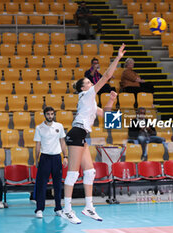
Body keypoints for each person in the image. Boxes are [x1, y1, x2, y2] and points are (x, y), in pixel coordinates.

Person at [62, 44, 125, 224]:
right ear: (83, 88)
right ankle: (67, 210)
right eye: (88, 82)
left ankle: (89, 207)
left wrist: (112, 100)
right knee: (73, 174)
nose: (91, 83)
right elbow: (106, 76)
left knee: (90, 172)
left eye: (90, 83)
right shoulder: (86, 95)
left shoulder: (89, 102)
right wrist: (118, 57)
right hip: (76, 134)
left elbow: (108, 117)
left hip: (82, 135)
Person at [33, 106, 68, 218]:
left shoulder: (59, 126)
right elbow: (37, 145)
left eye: (52, 114)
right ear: (45, 115)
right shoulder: (39, 128)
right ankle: (39, 209)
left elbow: (62, 142)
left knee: (57, 184)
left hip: (57, 158)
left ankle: (58, 208)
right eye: (48, 114)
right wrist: (36, 159)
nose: (50, 116)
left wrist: (65, 156)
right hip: (45, 158)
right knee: (41, 185)